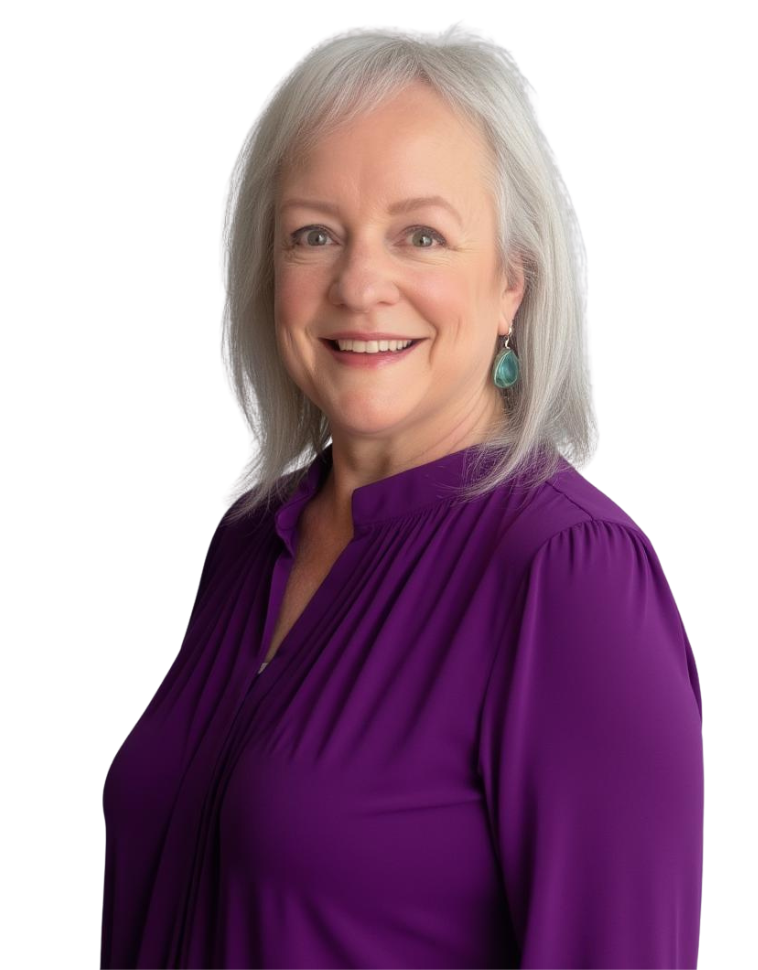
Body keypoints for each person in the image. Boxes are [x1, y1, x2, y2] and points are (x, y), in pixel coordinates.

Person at [101, 20, 703, 970]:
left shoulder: (568, 573)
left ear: (512, 281)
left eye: (420, 234)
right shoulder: (250, 540)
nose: (360, 283)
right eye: (315, 235)